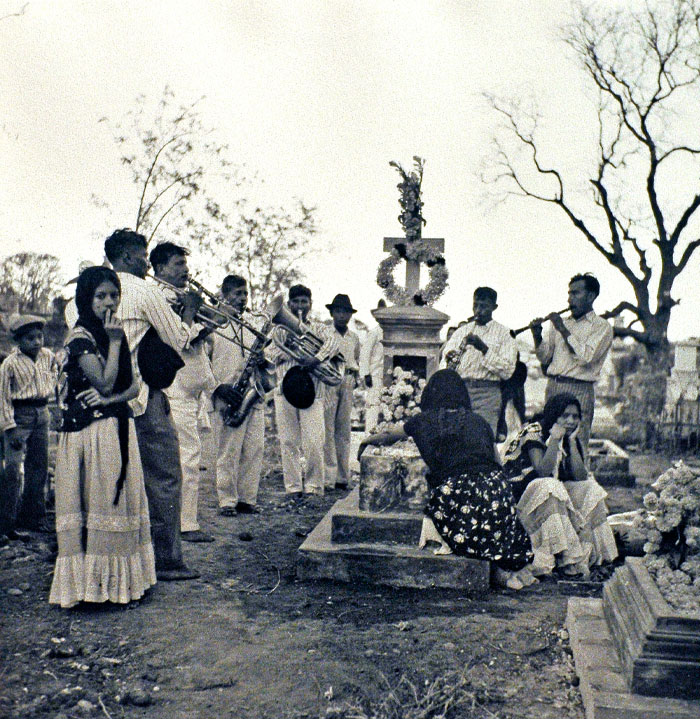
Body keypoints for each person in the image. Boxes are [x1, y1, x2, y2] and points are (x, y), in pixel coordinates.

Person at [358, 369, 535, 590]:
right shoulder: (479, 421)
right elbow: (497, 463)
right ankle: (500, 564)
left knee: (446, 505)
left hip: (460, 490)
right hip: (495, 488)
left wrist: (366, 441)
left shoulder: (422, 420)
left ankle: (492, 568)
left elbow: (388, 436)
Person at [49, 266, 156, 608]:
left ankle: (117, 585)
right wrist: (112, 345)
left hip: (112, 427)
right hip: (89, 435)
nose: (109, 302)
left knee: (115, 503)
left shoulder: (115, 334)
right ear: (86, 299)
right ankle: (92, 588)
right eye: (100, 296)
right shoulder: (82, 337)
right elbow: (107, 381)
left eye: (114, 295)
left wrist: (110, 399)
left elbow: (133, 386)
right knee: (98, 504)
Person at [102, 228, 204, 581]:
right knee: (163, 477)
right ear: (130, 257)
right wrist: (188, 312)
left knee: (114, 479)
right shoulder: (144, 290)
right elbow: (178, 339)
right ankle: (167, 560)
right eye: (144, 256)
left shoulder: (87, 291)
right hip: (142, 396)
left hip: (101, 398)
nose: (148, 262)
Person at [501, 392, 618, 577]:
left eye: (575, 416)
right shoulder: (533, 432)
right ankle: (563, 557)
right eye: (565, 416)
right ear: (554, 414)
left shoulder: (569, 436)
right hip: (522, 498)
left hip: (551, 495)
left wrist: (571, 442)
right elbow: (543, 471)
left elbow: (580, 477)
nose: (571, 421)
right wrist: (554, 439)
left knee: (590, 488)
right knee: (550, 485)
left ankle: (593, 557)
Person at [150, 242, 217, 543]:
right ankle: (186, 523)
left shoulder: (178, 296)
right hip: (175, 392)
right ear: (160, 268)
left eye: (185, 264)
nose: (185, 270)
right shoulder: (161, 298)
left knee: (190, 457)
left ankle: (183, 520)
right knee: (186, 459)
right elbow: (177, 339)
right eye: (178, 264)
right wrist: (193, 314)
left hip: (191, 395)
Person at [268, 284, 340, 499]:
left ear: (310, 304)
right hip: (285, 390)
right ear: (289, 304)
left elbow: (333, 344)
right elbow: (269, 355)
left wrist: (315, 357)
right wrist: (286, 348)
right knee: (288, 441)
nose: (300, 305)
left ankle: (314, 487)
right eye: (296, 302)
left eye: (304, 302)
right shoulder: (279, 330)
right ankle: (292, 487)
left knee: (314, 441)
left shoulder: (320, 328)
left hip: (313, 390)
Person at [533, 273, 613, 460]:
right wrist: (537, 335)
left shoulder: (602, 327)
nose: (570, 299)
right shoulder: (559, 324)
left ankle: (577, 486)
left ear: (591, 296)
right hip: (554, 386)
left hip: (580, 389)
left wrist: (562, 328)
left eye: (576, 293)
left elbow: (586, 357)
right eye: (569, 294)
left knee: (576, 443)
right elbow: (545, 358)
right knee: (548, 438)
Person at [208, 275, 268, 515]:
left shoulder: (252, 324)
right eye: (237, 294)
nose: (243, 299)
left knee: (255, 447)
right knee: (228, 450)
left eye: (245, 294)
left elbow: (263, 361)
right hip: (228, 394)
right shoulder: (214, 325)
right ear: (224, 295)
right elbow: (203, 362)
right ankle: (227, 500)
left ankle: (247, 498)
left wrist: (263, 359)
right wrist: (217, 387)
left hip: (251, 393)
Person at [0, 315, 58, 541]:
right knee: (13, 470)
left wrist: (53, 401)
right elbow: (3, 398)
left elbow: (55, 376)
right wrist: (10, 427)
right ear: (18, 341)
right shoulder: (10, 364)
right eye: (30, 338)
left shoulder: (48, 356)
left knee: (39, 466)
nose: (36, 342)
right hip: (19, 415)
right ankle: (6, 523)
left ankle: (34, 517)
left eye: (39, 337)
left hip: (41, 412)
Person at [440, 287, 517, 435]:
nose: (478, 311)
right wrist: (449, 359)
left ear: (494, 307)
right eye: (475, 305)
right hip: (460, 393)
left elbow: (507, 371)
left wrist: (483, 348)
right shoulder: (461, 331)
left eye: (484, 306)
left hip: (487, 395)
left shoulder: (505, 334)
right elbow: (443, 362)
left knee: (483, 440)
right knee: (457, 440)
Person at [323, 294, 360, 491]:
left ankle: (342, 477)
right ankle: (329, 477)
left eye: (345, 312)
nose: (342, 315)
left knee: (343, 429)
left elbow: (356, 359)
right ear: (332, 313)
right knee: (328, 427)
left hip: (347, 378)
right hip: (329, 378)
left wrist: (355, 378)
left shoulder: (353, 337)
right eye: (338, 311)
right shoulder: (325, 333)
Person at [359, 299, 386, 433]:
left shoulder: (389, 331)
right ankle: (369, 436)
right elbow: (365, 354)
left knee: (385, 406)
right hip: (374, 375)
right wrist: (365, 374)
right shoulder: (374, 333)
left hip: (385, 374)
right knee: (373, 406)